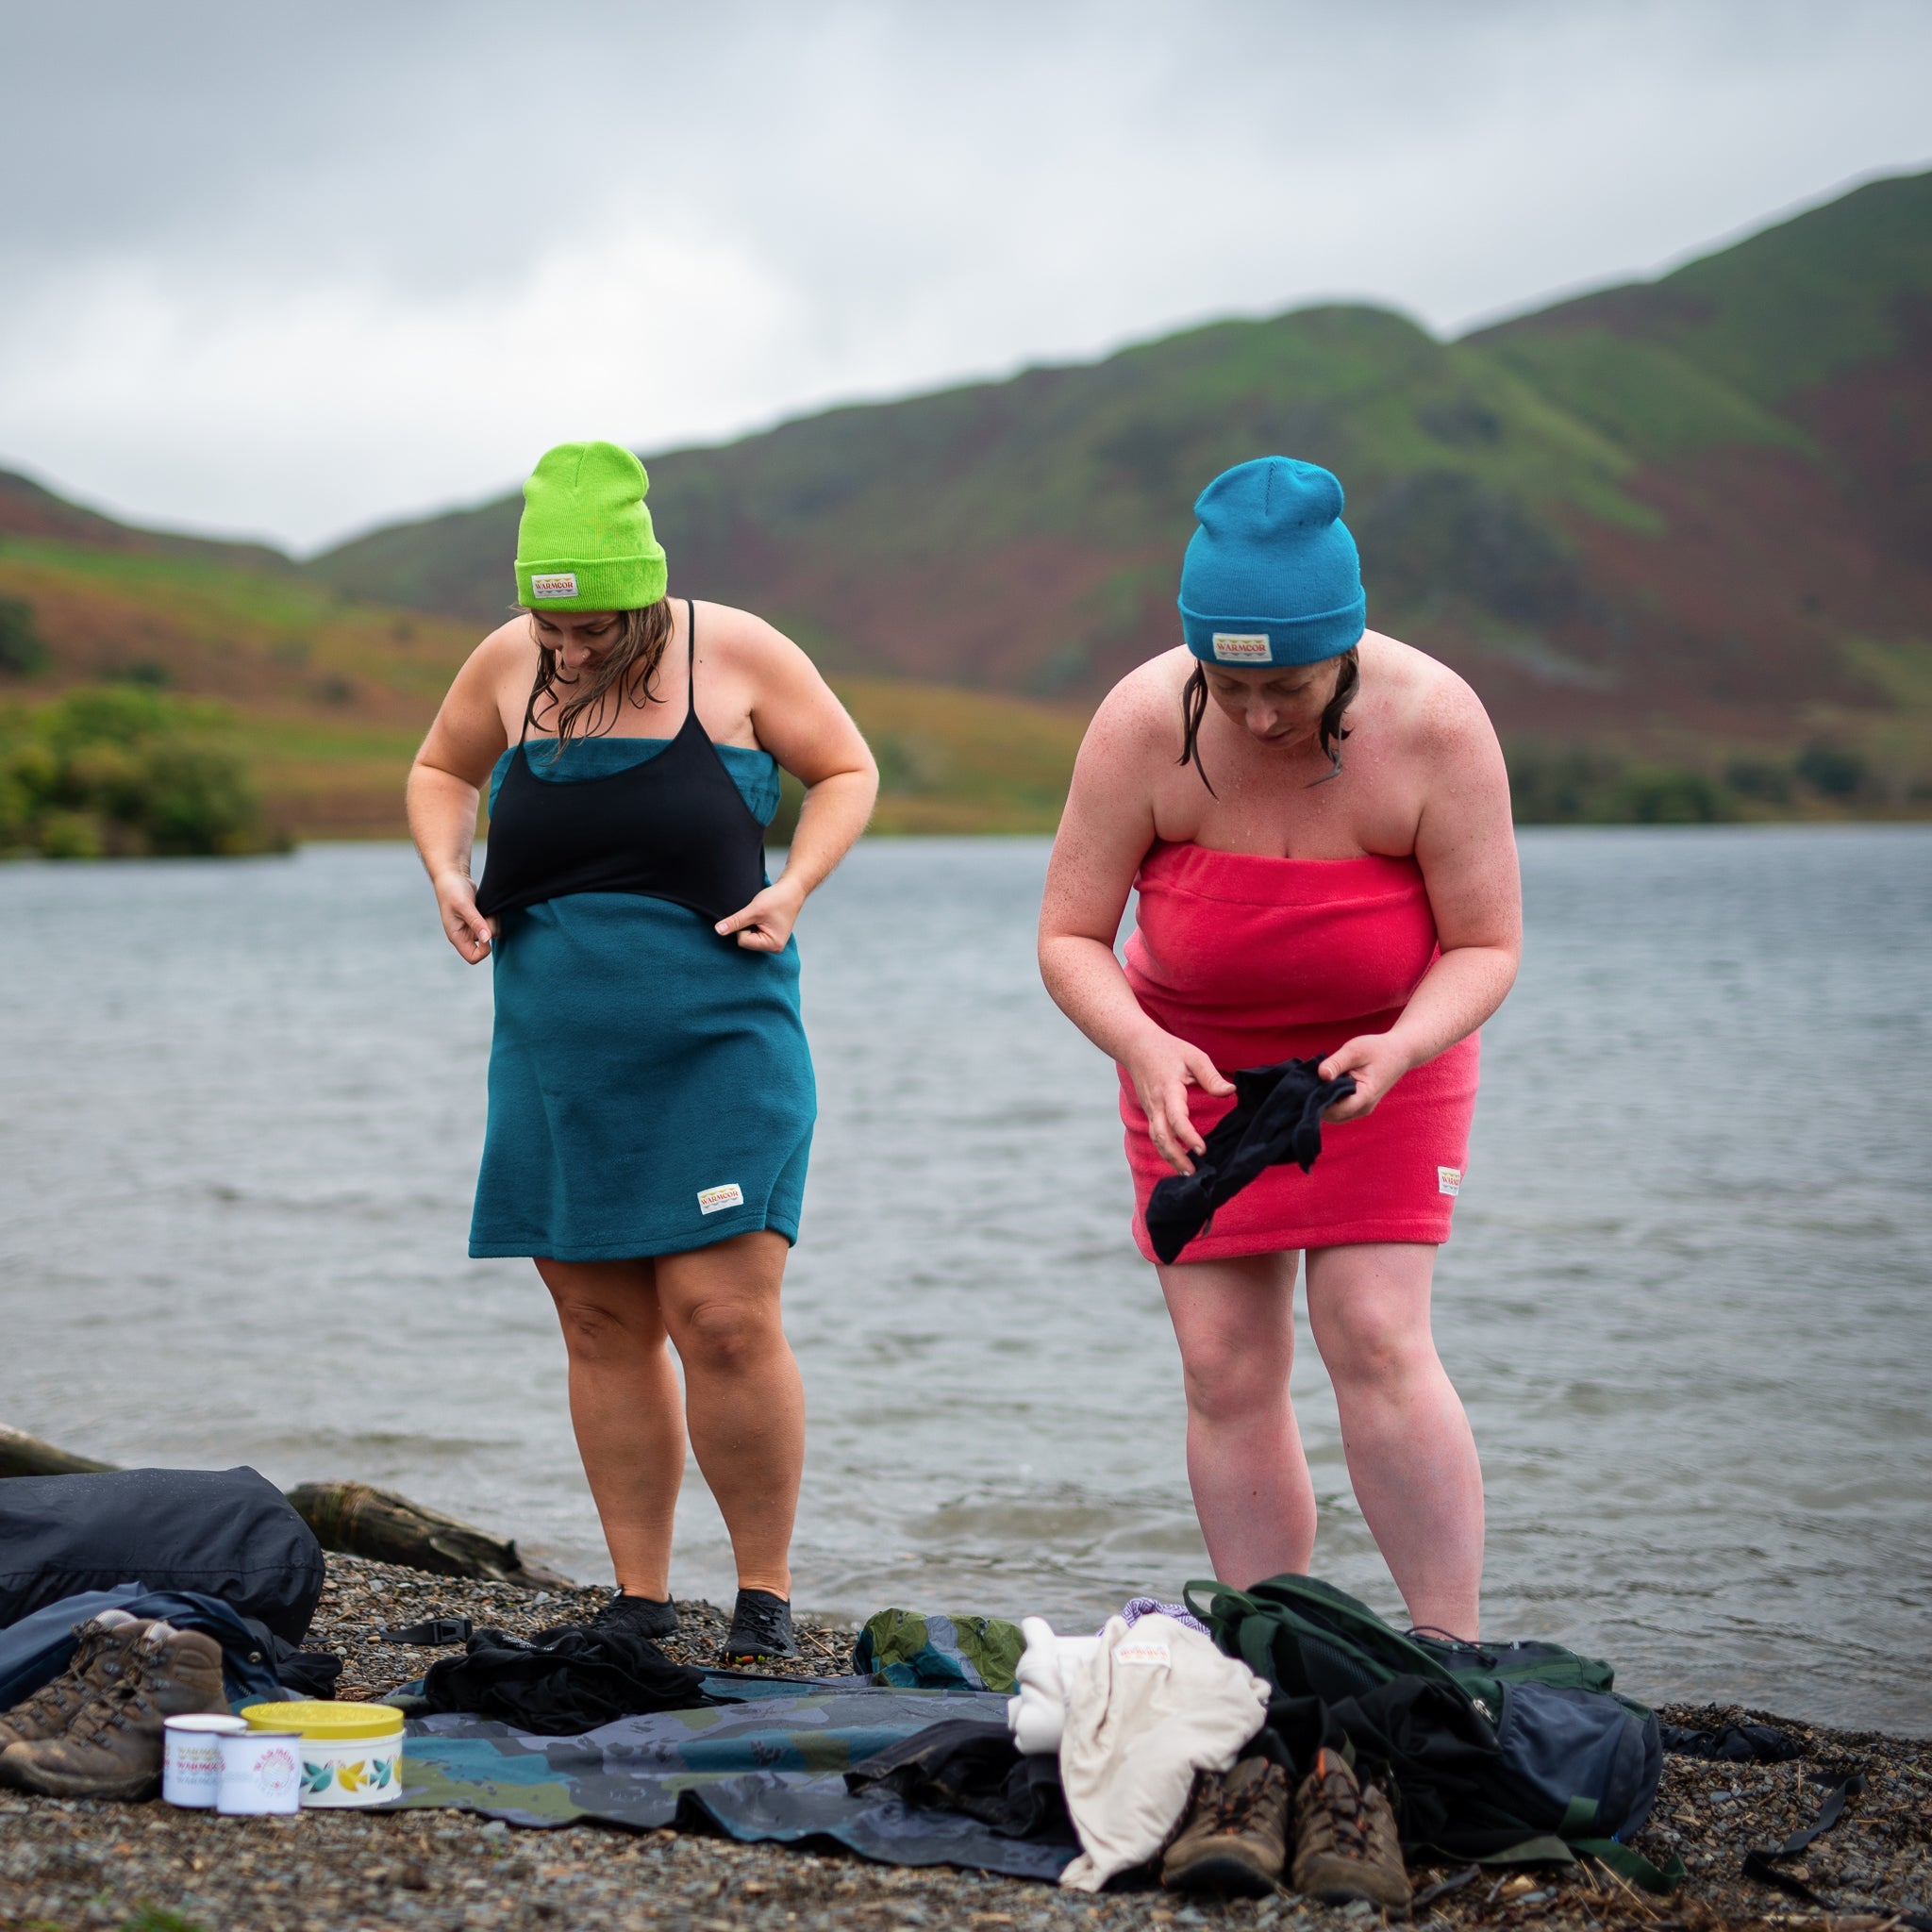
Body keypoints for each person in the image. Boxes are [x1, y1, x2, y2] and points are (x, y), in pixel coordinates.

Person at [407, 441, 877, 1660]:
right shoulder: (510, 661)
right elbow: (441, 768)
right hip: (558, 1052)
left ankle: (764, 1599)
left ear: (643, 587)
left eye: (592, 629)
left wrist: (799, 887)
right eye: (547, 627)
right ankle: (640, 1600)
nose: (564, 652)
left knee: (721, 1314)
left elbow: (845, 769)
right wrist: (448, 872)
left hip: (721, 1038)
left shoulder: (741, 654)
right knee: (601, 1323)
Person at [1038, 457, 1520, 1641]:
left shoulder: (1437, 724)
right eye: (1228, 681)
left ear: (1345, 646)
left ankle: (1446, 1642)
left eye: (1291, 686)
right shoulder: (1140, 724)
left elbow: (1486, 945)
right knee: (1223, 1359)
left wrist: (1403, 1044)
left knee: (1372, 1327)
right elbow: (1066, 936)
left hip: (1386, 1055)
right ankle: (1274, 1637)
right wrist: (1142, 1046)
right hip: (1186, 1065)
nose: (1257, 715)